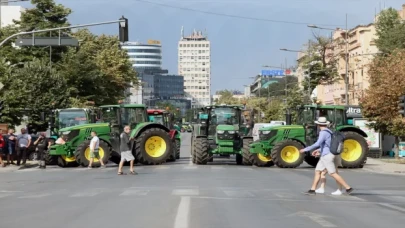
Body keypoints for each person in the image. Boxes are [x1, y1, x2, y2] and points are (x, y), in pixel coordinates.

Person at [299, 117, 353, 195]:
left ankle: (348, 188)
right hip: (325, 155)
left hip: (327, 156)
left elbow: (317, 143)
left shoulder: (323, 132)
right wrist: (319, 150)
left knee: (332, 173)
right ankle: (312, 190)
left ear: (318, 125)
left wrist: (305, 149)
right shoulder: (329, 132)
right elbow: (327, 145)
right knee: (318, 171)